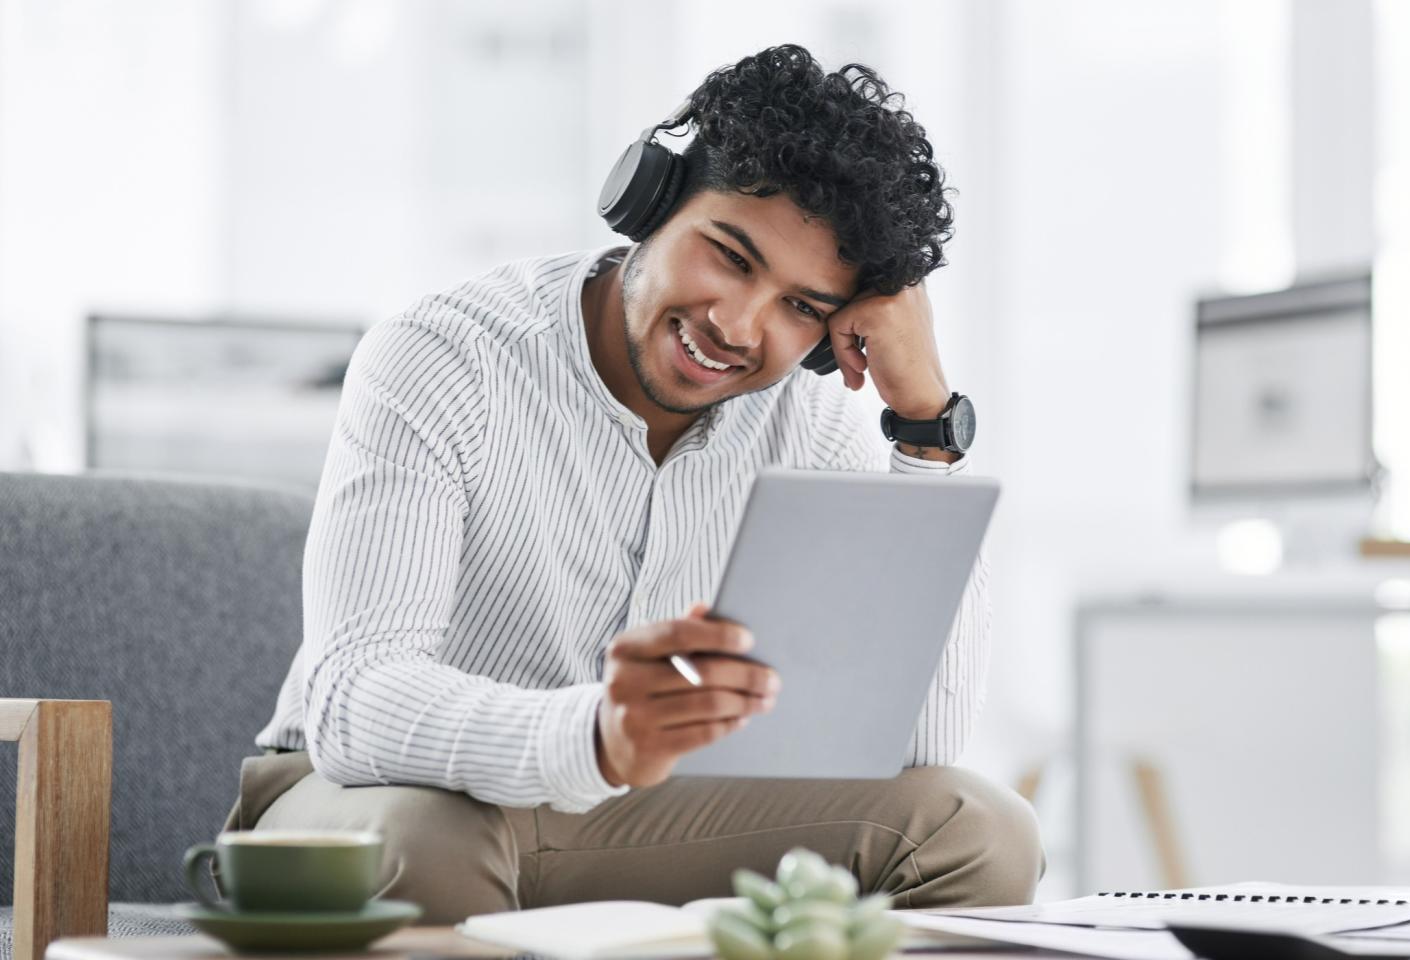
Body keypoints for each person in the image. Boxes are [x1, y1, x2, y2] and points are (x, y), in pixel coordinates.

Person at [229, 43, 1042, 922]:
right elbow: (355, 704)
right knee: (425, 849)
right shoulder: (443, 357)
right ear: (651, 198)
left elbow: (920, 747)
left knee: (980, 831)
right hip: (372, 794)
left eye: (801, 307)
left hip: (634, 816)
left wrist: (924, 428)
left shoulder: (809, 427)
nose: (738, 326)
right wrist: (598, 735)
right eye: (729, 255)